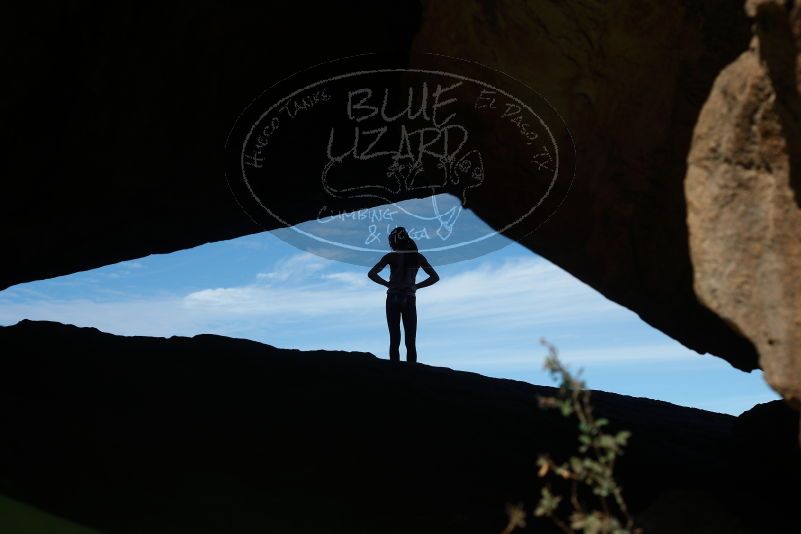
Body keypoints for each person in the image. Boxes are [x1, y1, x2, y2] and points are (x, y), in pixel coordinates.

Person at [367, 227, 440, 363]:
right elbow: (435, 277)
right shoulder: (418, 257)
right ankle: (412, 374)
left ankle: (395, 373)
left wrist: (387, 284)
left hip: (393, 296)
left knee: (394, 339)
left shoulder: (390, 256)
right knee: (410, 341)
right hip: (409, 296)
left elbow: (371, 274)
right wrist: (416, 286)